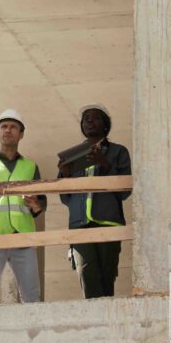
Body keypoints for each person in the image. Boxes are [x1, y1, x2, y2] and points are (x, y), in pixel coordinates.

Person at [57, 104, 132, 299]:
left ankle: (106, 322)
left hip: (109, 223)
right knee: (87, 274)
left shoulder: (118, 152)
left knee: (107, 276)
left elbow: (125, 191)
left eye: (95, 117)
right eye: (86, 118)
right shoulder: (74, 156)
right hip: (80, 226)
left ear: (105, 126)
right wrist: (64, 175)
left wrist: (104, 163)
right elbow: (65, 197)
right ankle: (97, 316)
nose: (89, 120)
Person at [0, 109, 45, 304]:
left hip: (23, 238)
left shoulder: (30, 167)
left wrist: (34, 203)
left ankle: (34, 333)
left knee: (32, 294)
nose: (8, 130)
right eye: (4, 126)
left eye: (13, 127)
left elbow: (41, 205)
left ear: (21, 134)